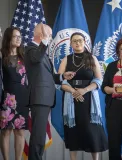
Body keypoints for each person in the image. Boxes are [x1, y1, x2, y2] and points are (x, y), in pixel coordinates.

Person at [24, 23, 75, 160]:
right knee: (38, 135)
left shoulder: (40, 52)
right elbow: (36, 58)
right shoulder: (30, 49)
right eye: (50, 35)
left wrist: (62, 76)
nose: (51, 38)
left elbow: (48, 75)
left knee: (40, 135)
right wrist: (45, 40)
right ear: (42, 35)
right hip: (39, 98)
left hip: (45, 98)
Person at [58, 32, 107, 160]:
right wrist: (73, 91)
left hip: (88, 99)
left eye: (80, 40)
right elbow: (59, 81)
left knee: (92, 132)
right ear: (71, 44)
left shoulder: (92, 58)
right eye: (74, 41)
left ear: (85, 41)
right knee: (73, 131)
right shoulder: (66, 59)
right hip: (71, 98)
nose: (77, 43)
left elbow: (99, 80)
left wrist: (84, 90)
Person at [0, 27, 29, 160]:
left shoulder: (24, 56)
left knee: (20, 132)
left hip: (23, 97)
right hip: (7, 98)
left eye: (19, 36)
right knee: (6, 131)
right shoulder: (2, 56)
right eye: (15, 36)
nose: (18, 39)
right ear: (8, 38)